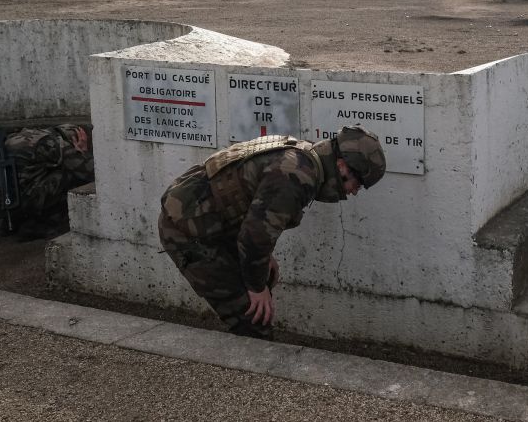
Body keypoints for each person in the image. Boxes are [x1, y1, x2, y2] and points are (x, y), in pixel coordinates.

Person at [157, 125, 386, 339]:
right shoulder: (297, 175)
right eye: (358, 184)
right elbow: (255, 237)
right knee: (252, 317)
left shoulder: (305, 158)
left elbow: (257, 218)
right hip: (188, 231)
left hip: (209, 223)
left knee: (262, 277)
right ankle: (250, 368)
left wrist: (265, 261)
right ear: (342, 166)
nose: (354, 192)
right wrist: (256, 289)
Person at [0, 124, 94, 239]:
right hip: (22, 200)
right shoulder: (55, 143)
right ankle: (43, 223)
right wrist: (83, 152)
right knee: (71, 174)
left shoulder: (14, 137)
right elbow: (89, 172)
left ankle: (16, 219)